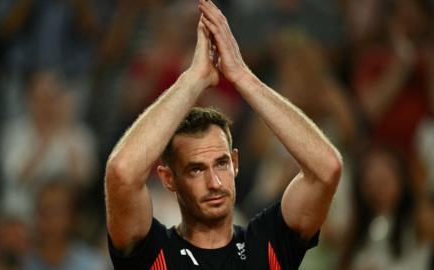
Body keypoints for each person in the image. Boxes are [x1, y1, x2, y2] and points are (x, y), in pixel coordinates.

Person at [104, 1, 342, 269]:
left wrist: (243, 77)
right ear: (168, 178)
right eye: (195, 170)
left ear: (235, 163)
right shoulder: (155, 252)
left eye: (221, 163)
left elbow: (327, 168)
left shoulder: (266, 244)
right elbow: (122, 173)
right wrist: (193, 79)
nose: (214, 182)